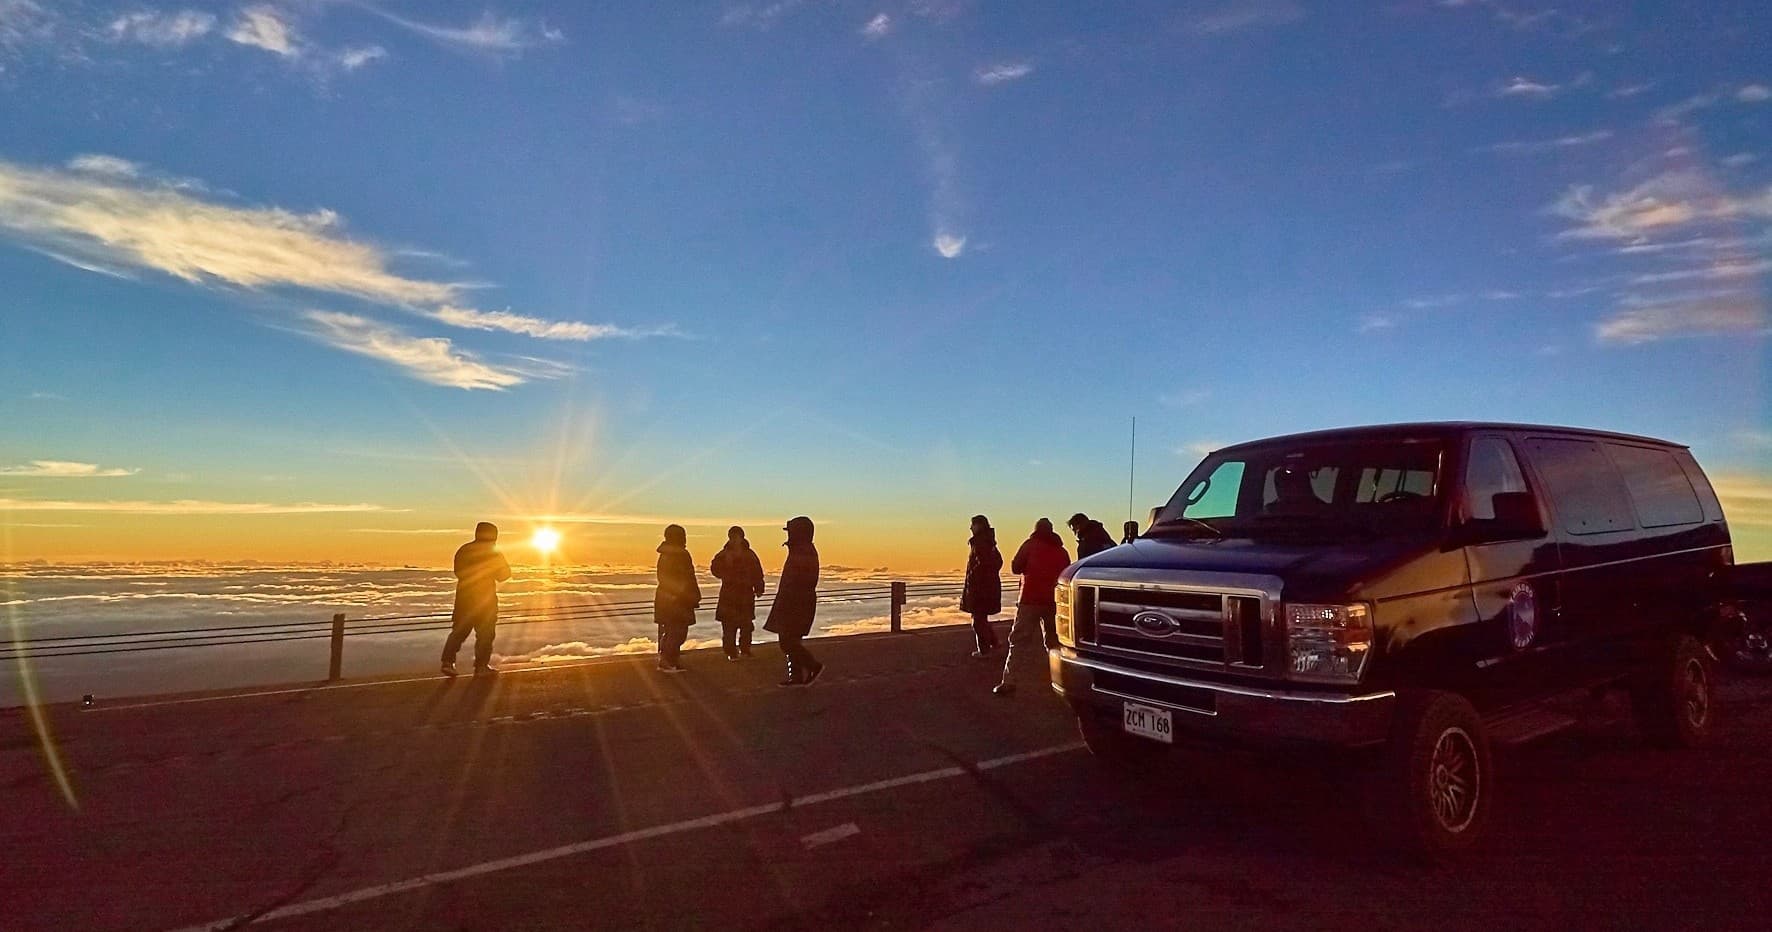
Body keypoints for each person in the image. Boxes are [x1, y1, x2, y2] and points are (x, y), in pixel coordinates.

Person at [995, 518, 1072, 696]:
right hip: (1053, 601)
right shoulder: (1061, 550)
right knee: (1054, 641)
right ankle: (1061, 680)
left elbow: (1015, 567)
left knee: (1019, 641)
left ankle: (1009, 681)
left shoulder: (1030, 545)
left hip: (1029, 599)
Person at [441, 522, 512, 677]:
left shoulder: (464, 550)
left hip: (464, 598)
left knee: (459, 632)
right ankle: (481, 666)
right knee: (485, 635)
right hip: (485, 600)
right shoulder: (494, 553)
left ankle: (447, 662)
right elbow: (504, 575)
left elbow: (459, 572)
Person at [764, 516, 824, 687]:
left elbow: (801, 580)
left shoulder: (803, 551)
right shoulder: (802, 550)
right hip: (796, 601)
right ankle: (796, 676)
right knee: (790, 639)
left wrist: (789, 598)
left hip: (796, 603)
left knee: (788, 641)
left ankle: (813, 666)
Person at [711, 525, 766, 660]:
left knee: (746, 625)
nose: (734, 540)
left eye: (736, 537)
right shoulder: (723, 554)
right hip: (729, 595)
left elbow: (758, 573)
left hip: (745, 595)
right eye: (732, 537)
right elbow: (715, 569)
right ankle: (731, 652)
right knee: (729, 626)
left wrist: (759, 587)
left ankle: (745, 649)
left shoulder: (750, 554)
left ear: (742, 538)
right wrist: (726, 570)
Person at [653, 524, 701, 673]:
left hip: (667, 598)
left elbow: (664, 578)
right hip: (678, 600)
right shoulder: (680, 555)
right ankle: (667, 661)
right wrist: (685, 594)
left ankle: (669, 659)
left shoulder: (666, 554)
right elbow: (686, 578)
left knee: (671, 630)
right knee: (677, 631)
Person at [959, 515, 1002, 658]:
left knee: (977, 620)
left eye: (972, 525)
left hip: (980, 588)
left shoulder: (980, 543)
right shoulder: (989, 543)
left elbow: (983, 564)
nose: (970, 528)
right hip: (987, 587)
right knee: (981, 618)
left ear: (979, 526)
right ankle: (994, 643)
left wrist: (973, 577)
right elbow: (997, 562)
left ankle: (985, 650)